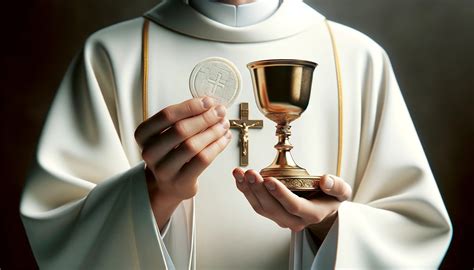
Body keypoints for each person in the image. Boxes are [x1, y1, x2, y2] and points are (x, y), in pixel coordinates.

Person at [20, 0, 452, 269]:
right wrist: (154, 193)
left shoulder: (358, 58)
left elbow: (413, 233)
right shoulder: (114, 54)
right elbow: (60, 231)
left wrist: (330, 226)